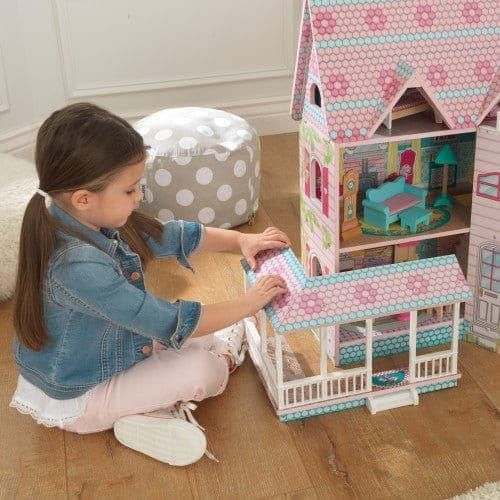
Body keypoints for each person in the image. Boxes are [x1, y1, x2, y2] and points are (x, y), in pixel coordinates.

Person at [9, 102, 289, 466]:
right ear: (83, 198)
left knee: (200, 329)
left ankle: (148, 409)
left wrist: (240, 242)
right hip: (82, 395)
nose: (139, 196)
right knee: (203, 369)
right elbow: (168, 321)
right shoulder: (77, 265)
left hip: (104, 351)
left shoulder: (83, 217)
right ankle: (220, 362)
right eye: (130, 190)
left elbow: (168, 235)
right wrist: (250, 302)